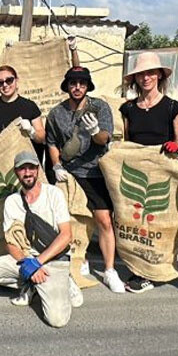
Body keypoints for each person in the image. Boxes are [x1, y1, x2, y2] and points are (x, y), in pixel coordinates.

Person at [0, 151, 83, 327]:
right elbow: (11, 242)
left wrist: (38, 263)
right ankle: (33, 285)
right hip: (27, 259)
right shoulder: (13, 201)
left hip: (54, 259)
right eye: (22, 169)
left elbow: (66, 235)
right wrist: (28, 264)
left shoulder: (54, 194)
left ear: (38, 170)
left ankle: (65, 281)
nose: (27, 173)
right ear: (16, 172)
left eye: (31, 168)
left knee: (57, 320)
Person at [45, 66, 123, 293]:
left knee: (104, 220)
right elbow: (51, 142)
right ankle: (82, 259)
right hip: (69, 174)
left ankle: (109, 270)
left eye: (82, 83)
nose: (77, 87)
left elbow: (105, 138)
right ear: (67, 86)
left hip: (95, 172)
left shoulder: (99, 107)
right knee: (73, 222)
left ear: (88, 85)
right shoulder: (56, 113)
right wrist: (57, 165)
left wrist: (95, 131)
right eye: (72, 83)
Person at [118, 52, 178, 294]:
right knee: (136, 223)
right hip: (136, 176)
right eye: (140, 74)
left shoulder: (173, 108)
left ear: (158, 75)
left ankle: (159, 268)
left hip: (162, 176)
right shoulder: (128, 109)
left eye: (150, 73)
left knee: (161, 224)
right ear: (135, 79)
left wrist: (177, 145)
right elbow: (127, 143)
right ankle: (139, 268)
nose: (145, 78)